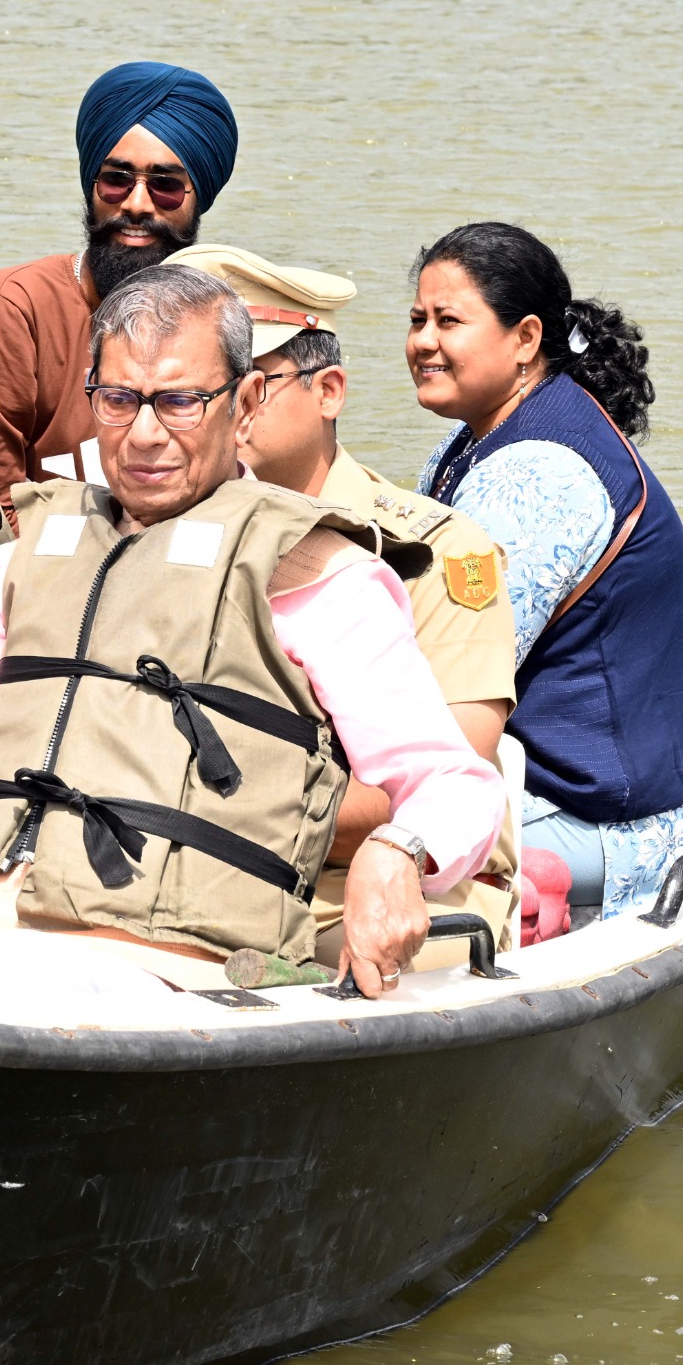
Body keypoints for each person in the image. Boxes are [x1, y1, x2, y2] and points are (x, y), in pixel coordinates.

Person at [0, 266, 503, 997]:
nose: (145, 435)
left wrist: (400, 848)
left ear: (244, 403)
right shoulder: (20, 561)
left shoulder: (322, 577)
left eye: (180, 402)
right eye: (119, 400)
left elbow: (454, 784)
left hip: (159, 970)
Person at [166, 242, 523, 950]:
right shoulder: (163, 537)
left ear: (328, 391)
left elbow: (444, 788)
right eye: (197, 385)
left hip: (382, 883)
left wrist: (193, 799)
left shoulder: (436, 553)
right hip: (189, 863)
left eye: (251, 381)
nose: (223, 406)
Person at [407, 221, 683, 919]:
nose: (423, 342)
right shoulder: (477, 440)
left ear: (525, 338)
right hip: (575, 786)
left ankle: (536, 895)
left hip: (599, 822)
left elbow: (449, 671)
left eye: (448, 321)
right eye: (417, 320)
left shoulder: (536, 476)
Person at [0, 61, 238, 510]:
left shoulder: (220, 320)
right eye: (116, 180)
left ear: (198, 199)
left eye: (165, 186)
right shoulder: (12, 311)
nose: (137, 204)